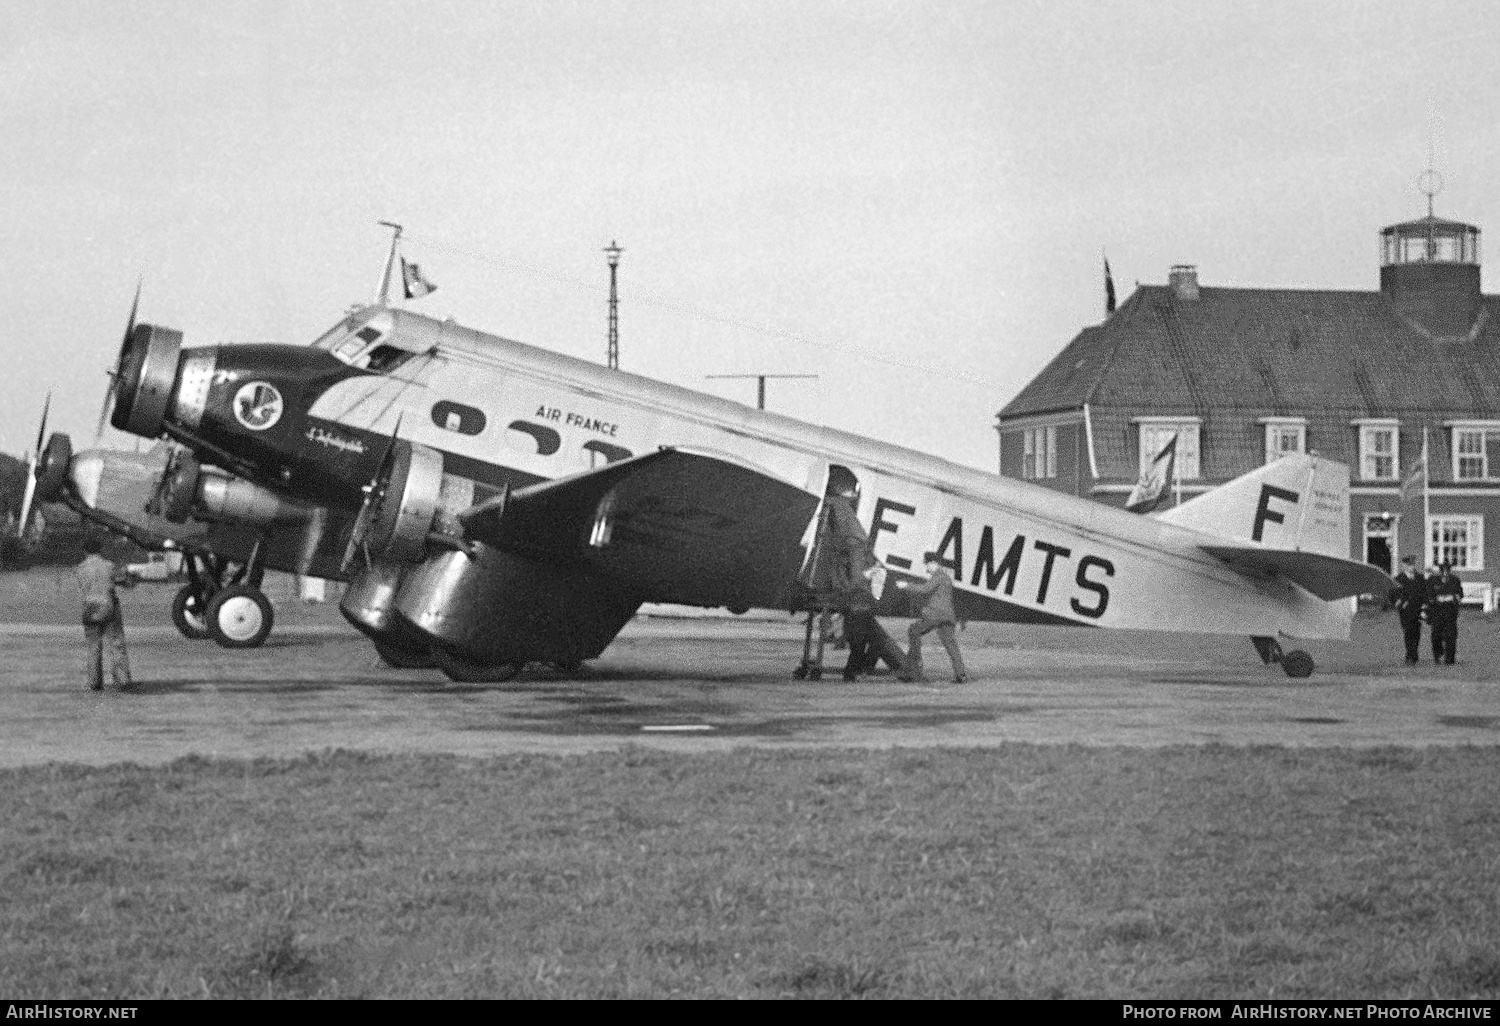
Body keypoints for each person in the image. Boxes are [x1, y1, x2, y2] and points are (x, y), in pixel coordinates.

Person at [74, 534, 137, 691]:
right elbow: (126, 582)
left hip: (89, 609)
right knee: (116, 643)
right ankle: (122, 679)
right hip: (108, 607)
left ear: (84, 550)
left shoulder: (79, 569)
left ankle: (94, 682)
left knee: (93, 647)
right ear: (100, 549)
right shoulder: (109, 566)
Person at [895, 554, 969, 684]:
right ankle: (960, 674)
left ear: (934, 563)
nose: (926, 566)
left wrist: (906, 585)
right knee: (951, 645)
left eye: (927, 564)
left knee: (913, 631)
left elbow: (925, 589)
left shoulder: (939, 576)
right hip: (947, 617)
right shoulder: (946, 577)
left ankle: (914, 670)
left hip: (935, 615)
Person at [1388, 555, 1427, 665]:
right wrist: (1398, 603)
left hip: (1418, 609)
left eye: (1413, 565)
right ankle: (1410, 655)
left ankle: (1413, 654)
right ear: (1404, 566)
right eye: (1409, 565)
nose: (1411, 567)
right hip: (1405, 611)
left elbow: (1425, 593)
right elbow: (1392, 595)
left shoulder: (1420, 578)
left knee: (1417, 633)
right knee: (1408, 632)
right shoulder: (1398, 579)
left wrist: (1424, 607)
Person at [1427, 561, 1463, 665]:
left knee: (1451, 636)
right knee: (1436, 636)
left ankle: (1450, 659)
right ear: (1440, 571)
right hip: (1437, 612)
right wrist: (1437, 599)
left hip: (1450, 613)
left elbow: (1460, 594)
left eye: (1447, 571)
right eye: (1443, 571)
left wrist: (1454, 597)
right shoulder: (1433, 580)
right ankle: (1438, 654)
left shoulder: (1455, 580)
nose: (1445, 573)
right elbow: (1429, 594)